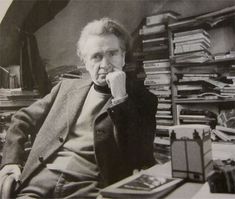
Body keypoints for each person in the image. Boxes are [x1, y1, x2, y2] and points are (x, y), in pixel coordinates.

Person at [0, 17, 158, 198]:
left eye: (112, 54)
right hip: (40, 180)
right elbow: (22, 119)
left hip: (88, 186)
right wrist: (10, 161)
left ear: (123, 57)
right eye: (96, 56)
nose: (105, 65)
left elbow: (138, 156)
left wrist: (120, 97)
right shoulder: (65, 88)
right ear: (85, 62)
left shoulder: (143, 100)